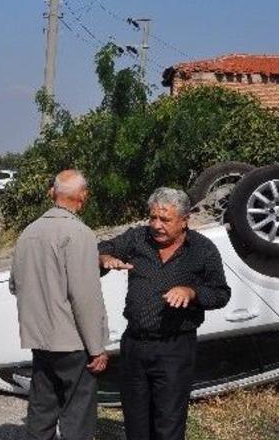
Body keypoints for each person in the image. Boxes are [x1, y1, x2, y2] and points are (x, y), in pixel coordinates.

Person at [99, 187, 231, 440]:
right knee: (136, 424)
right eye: (153, 218)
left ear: (184, 221)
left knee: (168, 424)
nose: (156, 225)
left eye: (165, 219)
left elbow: (221, 293)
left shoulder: (202, 249)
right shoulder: (137, 238)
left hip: (175, 349)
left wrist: (192, 292)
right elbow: (102, 248)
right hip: (135, 346)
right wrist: (104, 258)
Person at [10, 169, 108, 440]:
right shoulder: (79, 233)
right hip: (72, 341)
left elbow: (15, 284)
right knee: (77, 413)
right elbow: (84, 297)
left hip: (40, 338)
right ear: (83, 196)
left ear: (52, 193)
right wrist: (97, 348)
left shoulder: (28, 233)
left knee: (42, 406)